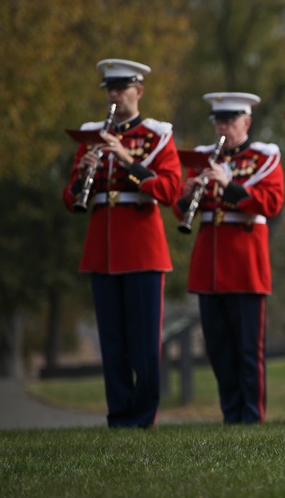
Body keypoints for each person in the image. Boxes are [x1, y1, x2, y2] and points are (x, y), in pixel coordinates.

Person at [63, 59, 181, 428]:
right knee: (111, 342)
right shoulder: (90, 136)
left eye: (120, 88)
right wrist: (85, 173)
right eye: (109, 89)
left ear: (138, 91)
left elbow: (170, 189)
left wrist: (129, 161)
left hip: (143, 249)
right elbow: (70, 200)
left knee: (144, 342)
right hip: (102, 249)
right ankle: (119, 415)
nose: (114, 95)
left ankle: (143, 417)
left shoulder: (156, 135)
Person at [176, 92, 284, 424]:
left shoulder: (262, 157)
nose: (223, 126)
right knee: (219, 348)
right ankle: (230, 413)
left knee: (249, 349)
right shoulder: (204, 158)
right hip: (209, 263)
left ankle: (251, 415)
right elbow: (178, 207)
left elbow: (271, 202)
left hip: (245, 263)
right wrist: (191, 193)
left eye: (230, 120)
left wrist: (230, 184)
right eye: (219, 121)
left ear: (246, 122)